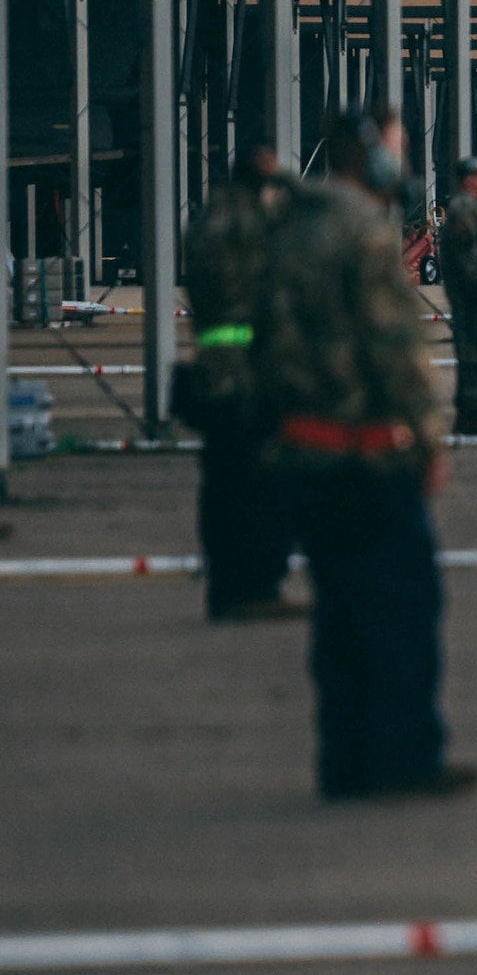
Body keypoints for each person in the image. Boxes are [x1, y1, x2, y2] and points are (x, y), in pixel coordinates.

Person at [254, 107, 477, 801]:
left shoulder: (285, 228)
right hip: (366, 450)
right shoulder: (362, 233)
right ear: (372, 158)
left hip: (303, 451)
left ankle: (343, 762)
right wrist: (430, 437)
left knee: (339, 615)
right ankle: (406, 756)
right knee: (403, 609)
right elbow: (394, 347)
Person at [180, 146, 300, 622]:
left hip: (213, 364)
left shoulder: (206, 222)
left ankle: (226, 582)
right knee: (263, 480)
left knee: (222, 480)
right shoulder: (258, 226)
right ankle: (257, 584)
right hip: (255, 366)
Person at [439, 156, 477, 435]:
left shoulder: (474, 208)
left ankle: (473, 409)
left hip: (473, 294)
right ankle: (473, 411)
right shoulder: (464, 209)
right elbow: (468, 258)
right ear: (468, 180)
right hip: (471, 296)